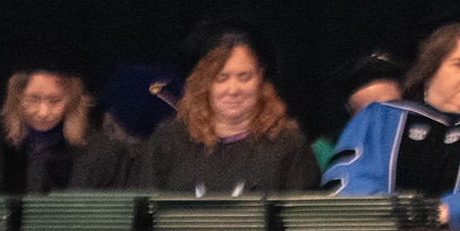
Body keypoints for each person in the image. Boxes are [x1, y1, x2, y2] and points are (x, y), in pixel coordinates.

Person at [323, 21, 460, 223]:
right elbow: (349, 183)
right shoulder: (381, 121)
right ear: (430, 70)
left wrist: (451, 211)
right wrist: (399, 215)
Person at [136, 25, 321, 198]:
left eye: (244, 77)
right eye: (221, 78)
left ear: (260, 77)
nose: (233, 90)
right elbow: (143, 216)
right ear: (204, 82)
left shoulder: (288, 145)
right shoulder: (169, 141)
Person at [0, 62, 132, 197]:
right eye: (32, 100)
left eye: (55, 101)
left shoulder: (101, 153)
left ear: (71, 100)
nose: (43, 112)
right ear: (16, 98)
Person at [311, 50, 404, 166]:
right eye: (370, 111)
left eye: (392, 107)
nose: (382, 119)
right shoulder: (325, 153)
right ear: (350, 116)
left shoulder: (420, 147)